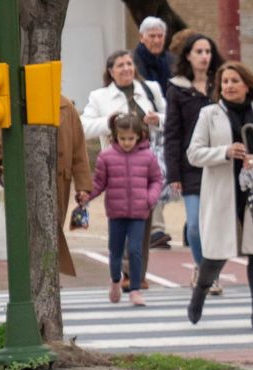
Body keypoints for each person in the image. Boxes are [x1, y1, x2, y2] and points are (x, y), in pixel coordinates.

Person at [185, 62, 253, 331]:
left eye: (234, 81)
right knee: (216, 253)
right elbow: (193, 154)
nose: (229, 86)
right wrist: (224, 152)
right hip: (223, 193)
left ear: (247, 84)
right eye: (225, 82)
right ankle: (200, 293)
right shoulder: (209, 114)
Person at [0, 96, 92, 277]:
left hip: (59, 182)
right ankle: (42, 277)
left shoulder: (67, 107)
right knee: (34, 232)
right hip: (27, 181)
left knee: (52, 229)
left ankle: (47, 279)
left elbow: (78, 150)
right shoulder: (14, 102)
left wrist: (83, 185)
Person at [82, 50, 167, 267]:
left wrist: (158, 119)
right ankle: (124, 267)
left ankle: (137, 271)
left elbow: (171, 119)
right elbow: (84, 127)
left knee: (143, 220)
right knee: (122, 217)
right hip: (117, 166)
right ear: (111, 71)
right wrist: (108, 122)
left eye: (129, 64)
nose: (126, 69)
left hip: (146, 162)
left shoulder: (150, 89)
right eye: (120, 65)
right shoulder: (99, 97)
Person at [81, 113, 164, 307]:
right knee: (115, 250)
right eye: (122, 138)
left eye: (131, 138)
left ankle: (135, 289)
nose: (127, 142)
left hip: (139, 212)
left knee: (135, 250)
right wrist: (87, 196)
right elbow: (99, 183)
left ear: (139, 136)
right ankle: (115, 281)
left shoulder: (148, 156)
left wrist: (149, 198)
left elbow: (156, 180)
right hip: (116, 212)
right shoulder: (106, 156)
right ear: (115, 136)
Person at [164, 33, 224, 293]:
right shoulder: (177, 88)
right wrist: (173, 173)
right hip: (190, 168)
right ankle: (202, 269)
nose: (204, 56)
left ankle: (212, 275)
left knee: (216, 225)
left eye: (208, 51)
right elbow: (172, 133)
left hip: (219, 164)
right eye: (199, 51)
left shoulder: (221, 85)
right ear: (188, 55)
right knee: (196, 225)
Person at [134, 16, 175, 97]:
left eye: (160, 36)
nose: (157, 41)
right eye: (152, 36)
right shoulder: (131, 61)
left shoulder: (173, 61)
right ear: (141, 37)